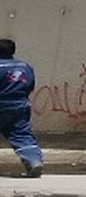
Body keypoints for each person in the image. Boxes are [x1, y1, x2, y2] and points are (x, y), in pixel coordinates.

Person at [0, 39, 42, 177]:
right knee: (21, 134)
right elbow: (30, 85)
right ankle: (34, 161)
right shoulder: (25, 66)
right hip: (20, 105)